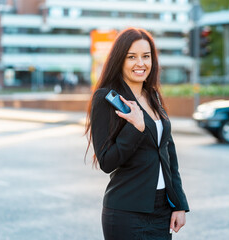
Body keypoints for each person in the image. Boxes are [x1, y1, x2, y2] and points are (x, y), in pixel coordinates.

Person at [85, 28, 189, 240]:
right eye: (131, 57)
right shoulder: (106, 98)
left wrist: (179, 203)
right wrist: (135, 128)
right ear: (119, 60)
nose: (140, 63)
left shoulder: (152, 96)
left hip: (162, 211)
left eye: (146, 56)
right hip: (126, 212)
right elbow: (106, 162)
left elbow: (168, 154)